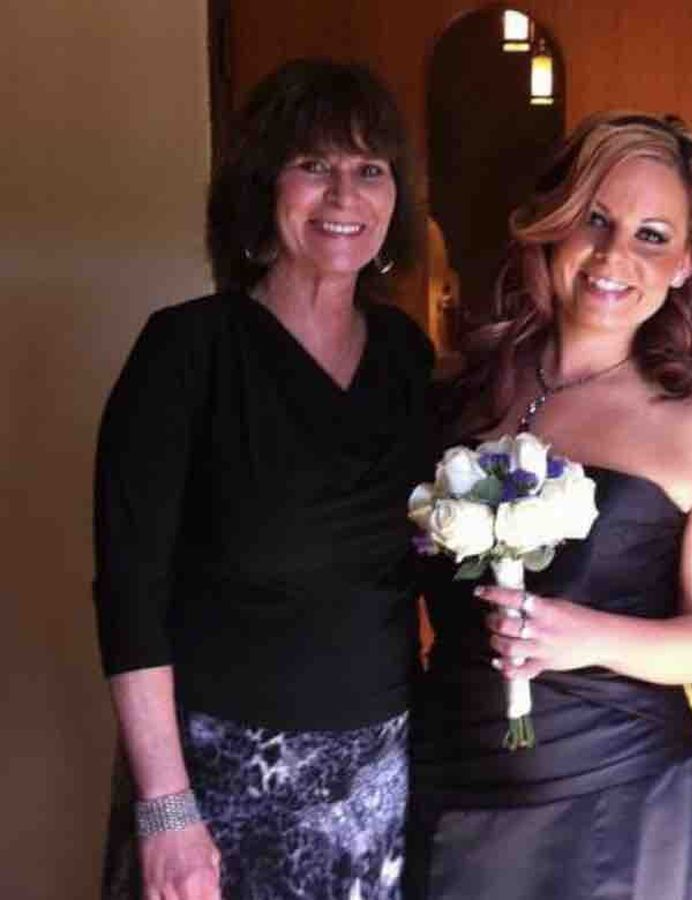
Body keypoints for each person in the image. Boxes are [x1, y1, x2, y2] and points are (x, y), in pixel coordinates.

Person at [94, 59, 433, 898]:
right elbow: (130, 596)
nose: (345, 196)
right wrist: (166, 810)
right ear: (261, 188)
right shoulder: (187, 352)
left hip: (379, 775)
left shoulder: (406, 354)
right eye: (313, 165)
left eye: (370, 169)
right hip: (223, 782)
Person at [403, 111, 692, 900]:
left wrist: (584, 636)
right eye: (595, 219)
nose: (614, 255)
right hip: (450, 778)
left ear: (687, 263)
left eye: (652, 235)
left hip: (618, 804)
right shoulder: (460, 392)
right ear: (552, 226)